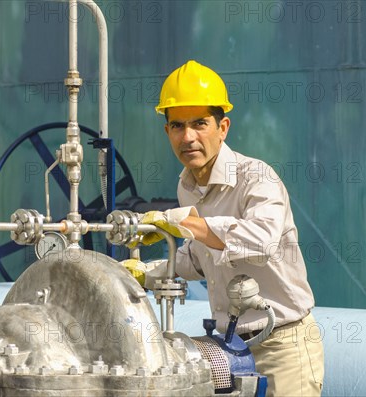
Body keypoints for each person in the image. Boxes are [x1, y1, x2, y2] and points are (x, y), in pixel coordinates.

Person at [134, 60, 325, 396]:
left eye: (200, 124)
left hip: (283, 345)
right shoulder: (187, 186)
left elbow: (260, 241)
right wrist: (142, 273)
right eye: (177, 126)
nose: (188, 137)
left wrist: (183, 223)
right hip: (231, 349)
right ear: (167, 132)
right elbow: (195, 260)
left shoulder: (258, 178)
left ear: (223, 127)